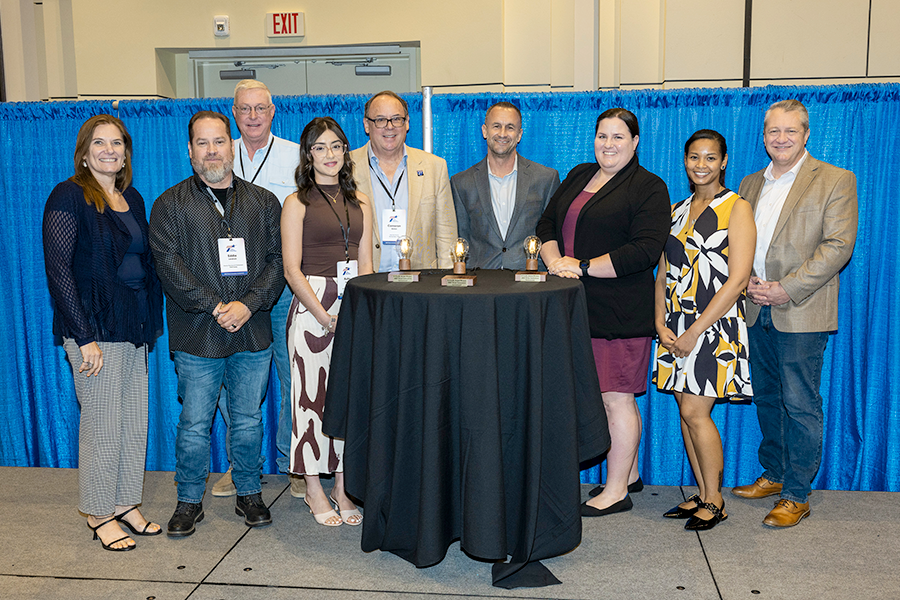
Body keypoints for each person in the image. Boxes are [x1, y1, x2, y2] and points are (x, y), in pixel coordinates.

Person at [149, 111, 284, 537]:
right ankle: (189, 500)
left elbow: (279, 262)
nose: (212, 151)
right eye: (203, 143)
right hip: (197, 334)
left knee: (248, 421)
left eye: (219, 142)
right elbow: (169, 267)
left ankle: (249, 492)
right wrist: (217, 307)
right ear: (190, 151)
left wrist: (247, 305)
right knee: (193, 424)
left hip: (251, 330)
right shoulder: (169, 204)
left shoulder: (263, 202)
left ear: (233, 146)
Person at [536, 107, 670, 517]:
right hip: (577, 307)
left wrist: (582, 266)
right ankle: (625, 474)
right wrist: (558, 262)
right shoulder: (579, 175)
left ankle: (616, 491)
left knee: (616, 398)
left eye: (617, 137)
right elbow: (546, 226)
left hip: (619, 311)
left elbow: (644, 250)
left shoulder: (649, 187)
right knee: (599, 396)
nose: (608, 145)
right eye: (602, 136)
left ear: (635, 142)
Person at [731, 99, 858, 527]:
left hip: (801, 309)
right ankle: (775, 472)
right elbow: (738, 243)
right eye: (773, 132)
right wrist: (744, 279)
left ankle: (796, 493)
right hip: (754, 307)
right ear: (763, 136)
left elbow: (838, 246)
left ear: (806, 134)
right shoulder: (748, 184)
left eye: (790, 131)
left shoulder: (836, 179)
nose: (780, 139)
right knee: (767, 396)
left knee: (800, 401)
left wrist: (787, 288)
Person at [42, 114, 164, 551]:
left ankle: (126, 502)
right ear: (84, 151)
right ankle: (98, 512)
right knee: (102, 424)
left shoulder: (131, 196)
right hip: (94, 328)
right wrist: (83, 335)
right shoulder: (69, 195)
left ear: (126, 152)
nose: (109, 150)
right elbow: (58, 271)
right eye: (100, 143)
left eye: (117, 143)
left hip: (133, 326)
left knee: (133, 422)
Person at [653, 130, 755, 530]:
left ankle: (715, 501)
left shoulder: (737, 207)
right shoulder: (676, 209)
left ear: (724, 161)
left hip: (713, 325)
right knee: (685, 412)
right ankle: (702, 492)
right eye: (694, 157)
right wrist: (659, 320)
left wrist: (696, 330)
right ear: (685, 160)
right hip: (675, 324)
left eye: (710, 158)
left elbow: (738, 279)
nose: (701, 165)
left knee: (697, 411)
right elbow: (663, 271)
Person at [211, 79, 305, 500]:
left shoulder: (293, 157)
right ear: (234, 111)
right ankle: (240, 463)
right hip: (229, 292)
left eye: (260, 109)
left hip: (282, 286)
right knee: (233, 382)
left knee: (292, 378)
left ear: (273, 111)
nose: (252, 116)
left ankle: (293, 464)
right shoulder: (217, 153)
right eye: (244, 109)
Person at [282, 117, 373, 527]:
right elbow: (290, 268)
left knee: (349, 400)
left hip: (354, 303)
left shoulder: (361, 202)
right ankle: (314, 488)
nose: (330, 154)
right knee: (310, 402)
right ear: (308, 154)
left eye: (336, 146)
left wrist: (363, 313)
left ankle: (342, 485)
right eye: (320, 147)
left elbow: (367, 265)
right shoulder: (296, 202)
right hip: (312, 308)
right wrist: (323, 314)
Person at [349, 90, 457, 271]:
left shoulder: (434, 167)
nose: (389, 127)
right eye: (380, 120)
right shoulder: (346, 168)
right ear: (367, 125)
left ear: (407, 123)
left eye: (396, 119)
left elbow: (447, 237)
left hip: (420, 284)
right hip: (367, 283)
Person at [451, 101, 560, 269]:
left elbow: (551, 233)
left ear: (519, 134)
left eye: (510, 127)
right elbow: (461, 238)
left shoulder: (546, 178)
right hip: (482, 282)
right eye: (496, 126)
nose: (502, 134)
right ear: (485, 131)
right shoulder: (461, 183)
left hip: (530, 282)